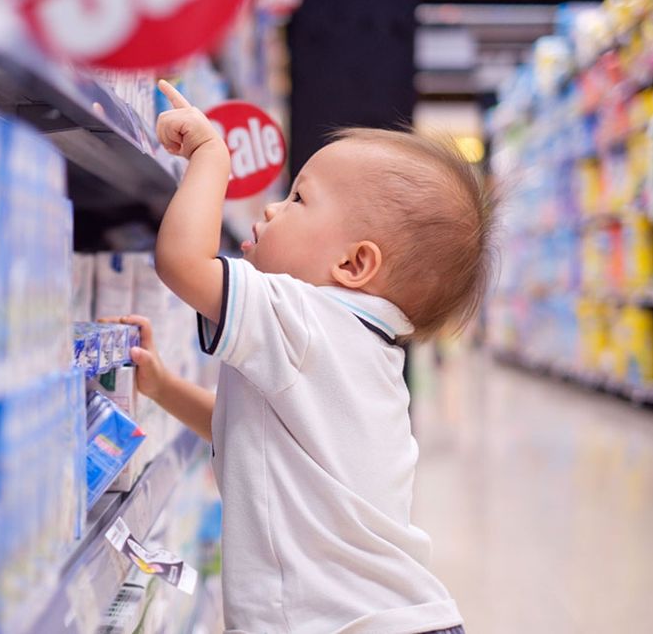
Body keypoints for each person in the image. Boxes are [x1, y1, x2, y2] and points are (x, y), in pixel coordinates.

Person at [115, 80, 496, 633]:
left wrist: (210, 157)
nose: (271, 207)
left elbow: (180, 261)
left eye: (298, 198)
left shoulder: (307, 318)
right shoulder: (359, 347)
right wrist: (166, 389)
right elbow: (250, 438)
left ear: (353, 265)